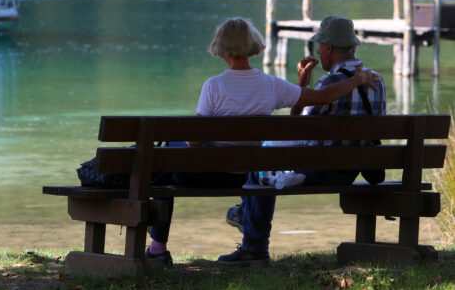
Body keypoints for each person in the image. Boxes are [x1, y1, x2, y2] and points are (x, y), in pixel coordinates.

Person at [145, 17, 379, 266]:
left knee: (165, 159)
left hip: (203, 176)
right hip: (242, 175)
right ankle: (245, 240)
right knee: (168, 161)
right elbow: (322, 98)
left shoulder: (213, 86)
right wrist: (354, 80)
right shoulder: (271, 85)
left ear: (220, 47)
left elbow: (194, 144)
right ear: (253, 45)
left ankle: (157, 248)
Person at [218, 15, 387, 268]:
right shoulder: (377, 81)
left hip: (321, 169)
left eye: (320, 45)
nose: (318, 50)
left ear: (329, 48)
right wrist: (301, 88)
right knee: (265, 157)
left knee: (259, 163)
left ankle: (254, 246)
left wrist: (303, 90)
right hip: (352, 171)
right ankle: (246, 218)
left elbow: (299, 127)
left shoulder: (329, 82)